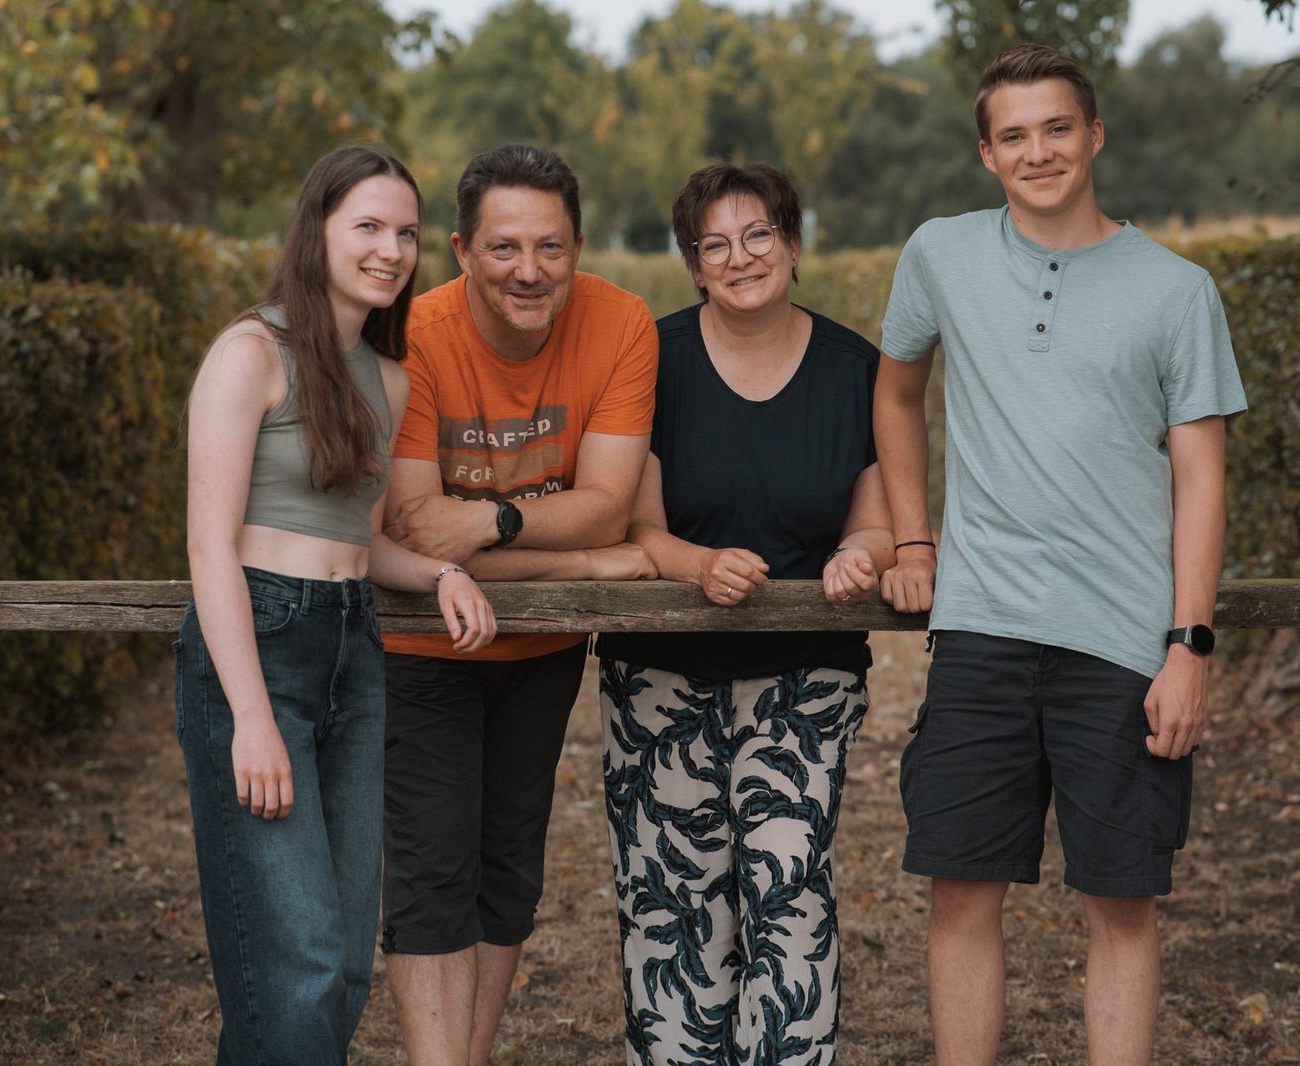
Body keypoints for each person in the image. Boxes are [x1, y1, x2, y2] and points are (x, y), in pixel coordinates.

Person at [874, 45, 1248, 1065]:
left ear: (1093, 135)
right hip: (982, 633)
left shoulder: (1177, 290)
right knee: (959, 891)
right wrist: (914, 536)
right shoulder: (939, 255)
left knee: (1120, 901)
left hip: (1123, 647)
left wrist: (1189, 647)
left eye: (1055, 128)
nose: (1037, 150)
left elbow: (1202, 480)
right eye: (1013, 135)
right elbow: (895, 388)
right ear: (985, 153)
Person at [177, 143, 496, 1066]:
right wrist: (248, 716)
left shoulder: (388, 378)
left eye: (404, 231)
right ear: (316, 230)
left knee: (347, 961)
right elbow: (209, 545)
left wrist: (441, 574)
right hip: (260, 648)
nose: (390, 250)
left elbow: (360, 540)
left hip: (354, 647)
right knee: (302, 959)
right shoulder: (248, 352)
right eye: (367, 226)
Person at [594, 162, 893, 1065]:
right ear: (692, 264)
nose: (739, 256)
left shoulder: (855, 369)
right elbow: (636, 523)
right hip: (661, 681)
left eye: (758, 235)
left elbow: (877, 518)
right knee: (674, 909)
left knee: (786, 898)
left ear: (794, 245)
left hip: (806, 679)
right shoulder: (654, 359)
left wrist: (860, 554)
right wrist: (696, 565)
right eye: (713, 243)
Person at [375, 143, 659, 1066]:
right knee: (431, 872)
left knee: (508, 871)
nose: (527, 271)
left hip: (538, 649)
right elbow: (416, 539)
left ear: (578, 246)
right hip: (421, 643)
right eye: (503, 248)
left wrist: (490, 521)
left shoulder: (621, 324)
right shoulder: (413, 334)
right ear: (460, 250)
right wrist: (580, 562)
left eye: (549, 247)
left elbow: (610, 504)